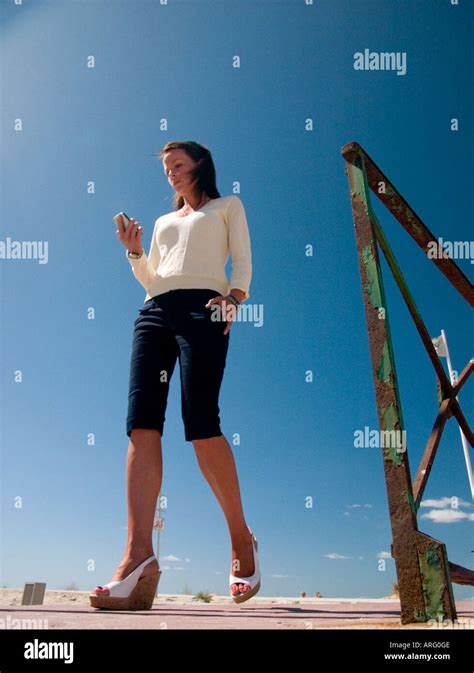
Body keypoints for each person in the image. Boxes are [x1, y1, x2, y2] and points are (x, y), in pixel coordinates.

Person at [89, 140, 260, 610]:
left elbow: (242, 258)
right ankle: (137, 556)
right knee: (141, 425)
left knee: (201, 424)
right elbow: (154, 279)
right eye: (166, 169)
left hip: (205, 308)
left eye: (178, 165)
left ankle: (241, 540)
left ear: (201, 165)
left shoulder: (227, 206)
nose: (171, 173)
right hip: (154, 311)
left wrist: (236, 297)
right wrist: (135, 252)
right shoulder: (164, 222)